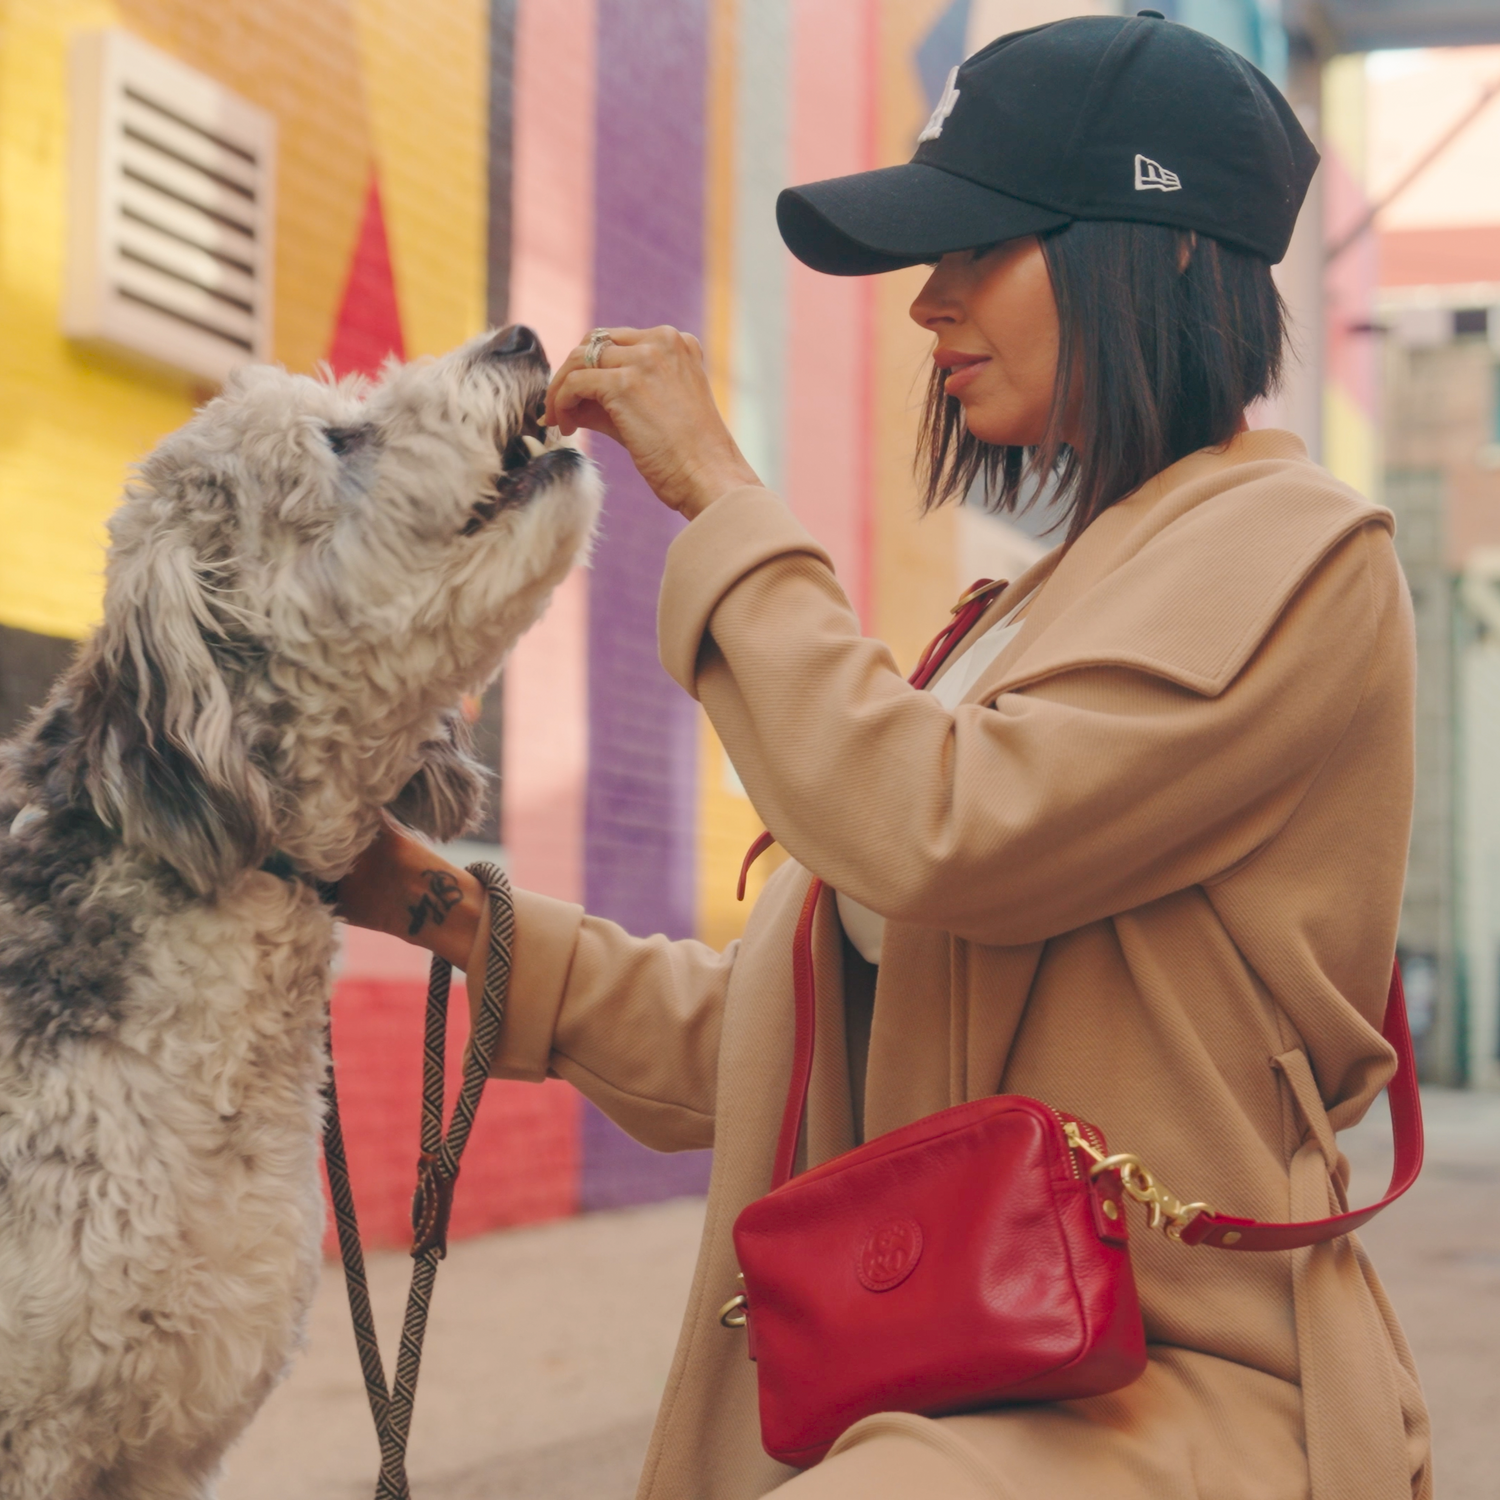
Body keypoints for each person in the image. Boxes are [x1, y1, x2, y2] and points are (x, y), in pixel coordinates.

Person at [336, 13, 1429, 1499]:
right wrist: (424, 899)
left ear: (1168, 251)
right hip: (941, 1368)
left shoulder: (1296, 552)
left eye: (987, 247)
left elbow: (943, 829)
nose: (933, 302)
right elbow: (789, 1033)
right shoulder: (1035, 611)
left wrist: (721, 495)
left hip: (1164, 1385)